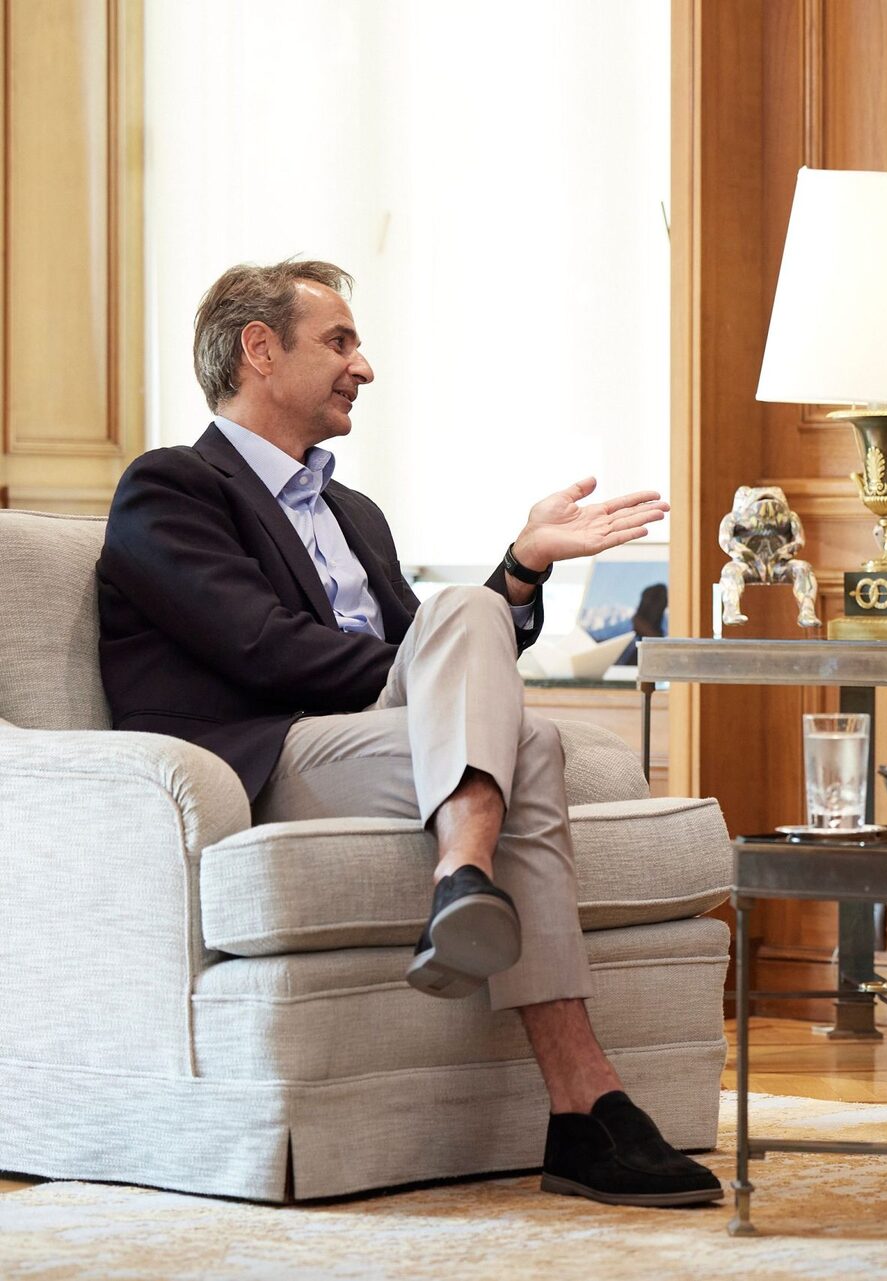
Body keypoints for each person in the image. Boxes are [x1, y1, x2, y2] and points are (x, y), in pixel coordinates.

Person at [94, 260, 722, 1208]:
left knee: (527, 734)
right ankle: (572, 1082)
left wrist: (522, 565)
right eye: (339, 342)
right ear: (259, 350)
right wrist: (432, 667)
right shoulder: (171, 487)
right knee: (471, 638)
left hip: (374, 745)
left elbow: (449, 651)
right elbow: (260, 647)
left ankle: (564, 1072)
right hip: (269, 754)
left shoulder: (353, 512)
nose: (364, 367)